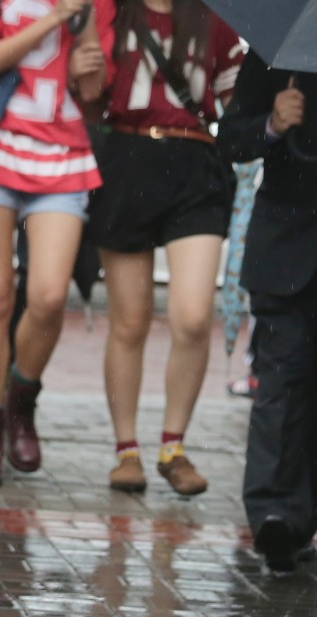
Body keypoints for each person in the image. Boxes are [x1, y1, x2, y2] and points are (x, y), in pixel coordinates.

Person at [87, 0, 242, 495]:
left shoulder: (215, 17)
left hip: (195, 161)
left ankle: (173, 446)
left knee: (194, 315)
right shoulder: (109, 10)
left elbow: (237, 103)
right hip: (125, 159)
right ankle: (125, 449)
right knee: (130, 319)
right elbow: (89, 91)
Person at [0, 0, 108, 485]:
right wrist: (56, 17)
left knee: (48, 296)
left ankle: (22, 398)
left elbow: (93, 91)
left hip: (63, 150)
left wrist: (87, 51)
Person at [219, 50, 317, 572]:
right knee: (281, 379)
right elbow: (232, 138)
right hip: (288, 247)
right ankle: (277, 516)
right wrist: (273, 124)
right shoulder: (283, 53)